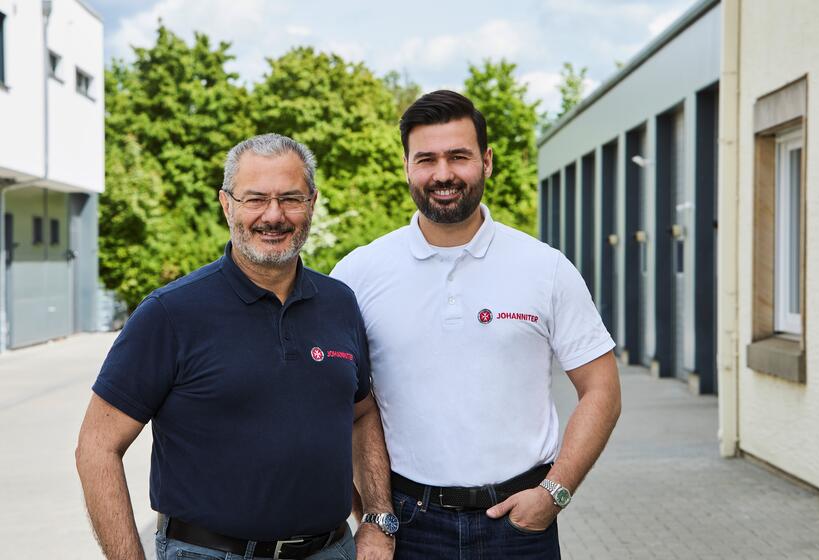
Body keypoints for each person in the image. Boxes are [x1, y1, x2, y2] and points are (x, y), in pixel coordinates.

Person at [76, 134, 396, 560]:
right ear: (227, 205)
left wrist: (378, 518)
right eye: (255, 199)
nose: (274, 215)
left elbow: (362, 412)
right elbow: (97, 447)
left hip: (332, 550)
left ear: (313, 203)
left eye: (291, 198)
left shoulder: (339, 303)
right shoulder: (170, 314)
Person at [331, 91, 622, 559]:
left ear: (486, 161)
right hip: (407, 527)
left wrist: (554, 493)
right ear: (406, 165)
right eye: (426, 158)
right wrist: (368, 516)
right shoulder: (358, 274)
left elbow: (602, 389)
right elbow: (333, 404)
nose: (443, 173)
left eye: (458, 156)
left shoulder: (544, 268)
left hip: (519, 526)